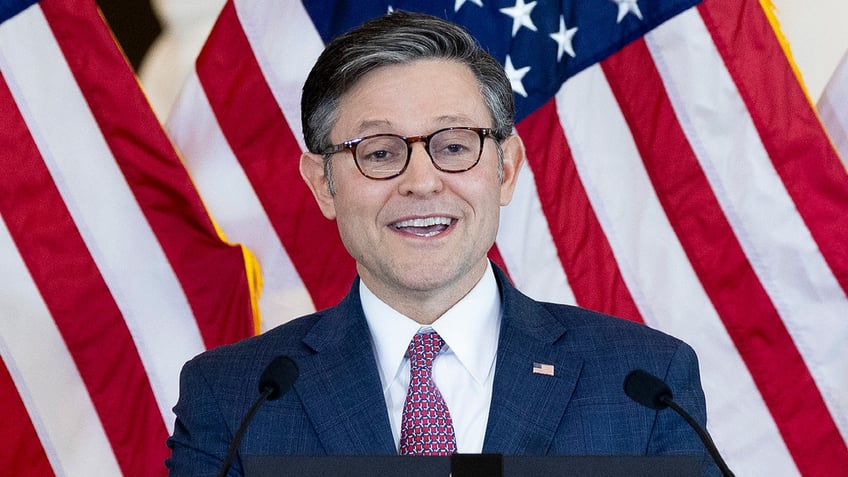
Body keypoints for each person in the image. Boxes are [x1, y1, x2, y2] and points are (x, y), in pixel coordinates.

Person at [166, 10, 719, 476]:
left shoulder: (643, 384)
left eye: (454, 146)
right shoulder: (236, 397)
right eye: (379, 152)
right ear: (323, 185)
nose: (422, 181)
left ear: (506, 170)